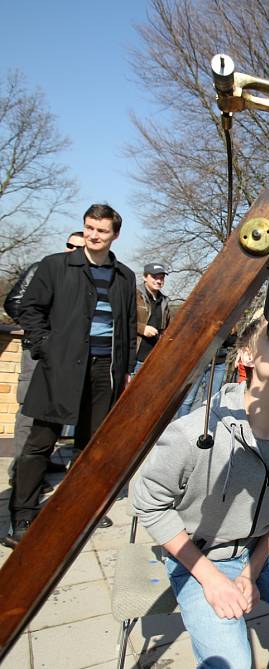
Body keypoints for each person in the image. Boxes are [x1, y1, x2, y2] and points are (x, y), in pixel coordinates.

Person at [131, 316, 269, 668]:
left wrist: (250, 570)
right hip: (200, 555)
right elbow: (149, 503)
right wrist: (211, 579)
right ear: (245, 354)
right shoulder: (194, 432)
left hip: (263, 546)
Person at [4, 204, 137, 546]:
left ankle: (80, 510)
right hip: (59, 368)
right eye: (89, 227)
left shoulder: (125, 276)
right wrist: (45, 346)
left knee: (92, 448)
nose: (93, 235)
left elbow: (128, 326)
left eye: (102, 230)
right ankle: (21, 515)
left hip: (103, 372)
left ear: (115, 235)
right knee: (39, 443)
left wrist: (125, 371)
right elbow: (28, 308)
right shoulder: (56, 266)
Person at [4, 231, 85, 482]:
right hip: (38, 352)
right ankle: (20, 474)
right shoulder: (44, 268)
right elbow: (15, 303)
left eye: (79, 248)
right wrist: (44, 336)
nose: (73, 250)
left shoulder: (83, 278)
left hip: (65, 356)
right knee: (29, 409)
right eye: (70, 245)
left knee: (55, 409)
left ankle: (41, 462)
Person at [134, 262, 171, 372]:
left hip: (155, 359)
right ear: (145, 277)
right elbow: (122, 320)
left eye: (162, 278)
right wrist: (142, 328)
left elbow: (167, 328)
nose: (159, 281)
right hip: (136, 359)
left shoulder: (164, 301)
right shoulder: (134, 295)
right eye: (154, 277)